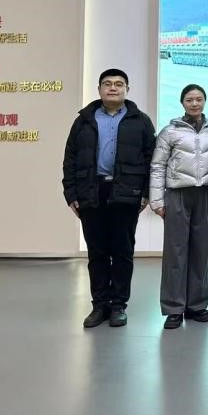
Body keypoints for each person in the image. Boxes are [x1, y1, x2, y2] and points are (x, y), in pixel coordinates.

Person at [62, 68, 155, 329]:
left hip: (126, 192)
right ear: (99, 89)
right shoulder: (84, 120)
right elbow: (70, 158)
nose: (113, 88)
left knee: (123, 251)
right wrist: (71, 193)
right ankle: (100, 305)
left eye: (118, 84)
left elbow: (152, 160)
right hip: (92, 191)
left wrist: (146, 193)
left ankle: (118, 305)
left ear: (127, 89)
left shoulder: (141, 121)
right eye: (107, 84)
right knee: (97, 252)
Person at [149, 84, 208, 330]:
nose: (194, 103)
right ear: (182, 102)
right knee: (176, 252)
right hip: (177, 195)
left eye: (199, 99)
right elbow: (158, 166)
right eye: (190, 100)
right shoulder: (169, 131)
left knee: (201, 251)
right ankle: (173, 308)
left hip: (206, 195)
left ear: (204, 101)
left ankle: (197, 305)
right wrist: (157, 200)